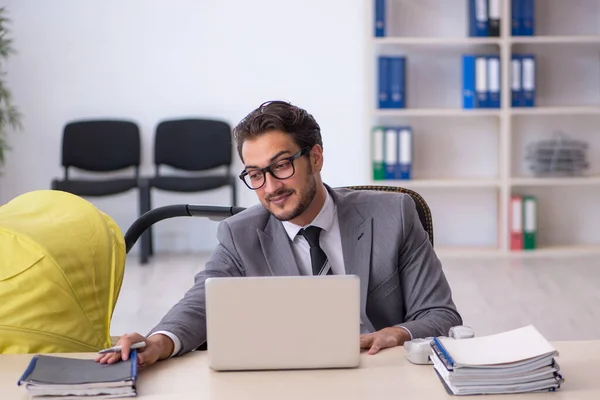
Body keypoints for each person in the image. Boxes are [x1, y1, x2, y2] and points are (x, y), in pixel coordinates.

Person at [97, 100, 462, 367]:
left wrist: (396, 332)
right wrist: (160, 342)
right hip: (289, 380)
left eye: (281, 166)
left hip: (382, 376)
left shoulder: (393, 214)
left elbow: (441, 315)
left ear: (315, 158)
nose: (270, 187)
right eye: (255, 174)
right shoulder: (240, 234)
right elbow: (201, 303)